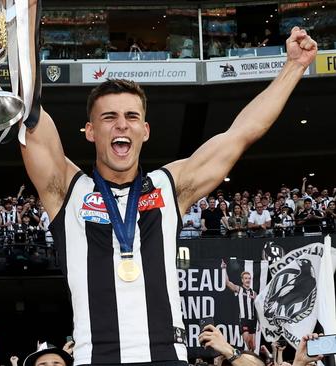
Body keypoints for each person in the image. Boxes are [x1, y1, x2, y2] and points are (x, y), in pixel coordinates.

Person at [20, 25, 316, 364]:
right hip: (96, 358)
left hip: (166, 357)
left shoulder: (169, 186)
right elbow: (29, 113)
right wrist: (26, 18)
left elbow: (242, 133)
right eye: (109, 117)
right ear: (90, 131)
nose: (122, 125)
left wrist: (294, 66)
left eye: (132, 116)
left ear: (144, 130)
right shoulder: (69, 190)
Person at [221, 260, 257, 351]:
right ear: (242, 280)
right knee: (248, 342)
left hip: (252, 321)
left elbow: (258, 308)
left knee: (253, 347)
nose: (248, 280)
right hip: (244, 320)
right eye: (246, 278)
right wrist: (224, 269)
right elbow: (227, 283)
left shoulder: (254, 293)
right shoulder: (239, 289)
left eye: (249, 278)